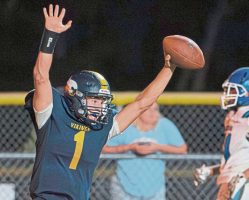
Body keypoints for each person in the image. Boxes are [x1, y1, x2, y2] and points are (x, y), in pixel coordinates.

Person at [24, 4, 177, 200]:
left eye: (102, 101)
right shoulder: (52, 113)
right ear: (74, 94)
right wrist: (50, 35)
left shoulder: (102, 125)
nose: (100, 106)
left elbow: (142, 103)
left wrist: (168, 68)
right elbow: (41, 76)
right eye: (95, 99)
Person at [193, 67, 249, 200]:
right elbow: (236, 161)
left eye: (233, 90)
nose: (228, 93)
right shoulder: (234, 116)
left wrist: (243, 176)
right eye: (227, 90)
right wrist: (210, 171)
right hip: (229, 184)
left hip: (241, 187)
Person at [102, 102, 187, 200]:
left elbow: (182, 149)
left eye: (155, 109)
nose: (153, 113)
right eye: (148, 109)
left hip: (155, 187)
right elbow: (104, 148)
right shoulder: (126, 125)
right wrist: (130, 147)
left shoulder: (165, 125)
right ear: (139, 110)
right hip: (124, 185)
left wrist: (157, 147)